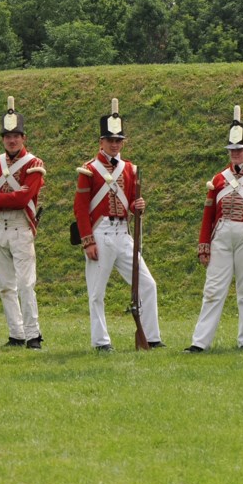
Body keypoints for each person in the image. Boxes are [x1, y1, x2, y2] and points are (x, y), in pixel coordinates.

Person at [73, 98, 163, 351]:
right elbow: (80, 209)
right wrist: (88, 240)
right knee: (96, 292)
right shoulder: (88, 170)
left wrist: (138, 207)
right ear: (101, 142)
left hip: (123, 232)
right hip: (100, 233)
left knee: (147, 284)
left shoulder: (130, 170)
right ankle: (101, 341)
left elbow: (131, 203)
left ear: (123, 142)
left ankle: (152, 337)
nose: (114, 145)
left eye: (118, 141)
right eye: (110, 140)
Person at [186, 106, 243, 352]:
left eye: (239, 150)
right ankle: (200, 342)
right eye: (232, 150)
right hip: (221, 236)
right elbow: (208, 214)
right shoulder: (219, 179)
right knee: (213, 289)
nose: (235, 154)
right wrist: (204, 244)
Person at [0, 96, 45, 349]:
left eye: (16, 135)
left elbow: (24, 198)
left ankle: (33, 334)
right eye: (7, 136)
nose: (11, 140)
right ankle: (16, 334)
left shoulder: (34, 164)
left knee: (26, 285)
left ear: (24, 138)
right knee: (6, 286)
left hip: (20, 227)